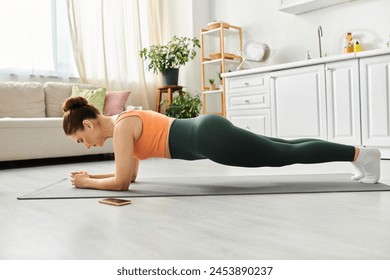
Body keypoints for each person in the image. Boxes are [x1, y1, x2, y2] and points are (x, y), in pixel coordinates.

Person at [62, 96, 381, 190]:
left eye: (81, 138)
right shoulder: (123, 123)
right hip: (207, 131)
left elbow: (120, 184)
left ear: (88, 124)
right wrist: (92, 178)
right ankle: (358, 155)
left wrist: (88, 181)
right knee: (285, 146)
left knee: (283, 154)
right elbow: (128, 176)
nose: (85, 145)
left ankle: (362, 154)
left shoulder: (121, 129)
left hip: (208, 139)